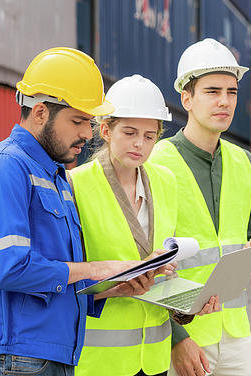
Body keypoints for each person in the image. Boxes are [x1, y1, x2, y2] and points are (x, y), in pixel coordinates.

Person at [0, 48, 173, 376]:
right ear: (41, 112)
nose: (88, 134)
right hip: (17, 358)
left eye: (89, 122)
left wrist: (114, 286)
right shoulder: (6, 165)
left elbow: (56, 280)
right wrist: (96, 268)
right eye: (78, 121)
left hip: (53, 355)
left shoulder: (56, 177)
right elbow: (6, 268)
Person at [70, 75, 221, 376]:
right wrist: (118, 283)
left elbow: (163, 265)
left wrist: (187, 302)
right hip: (98, 362)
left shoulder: (166, 181)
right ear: (106, 130)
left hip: (153, 359)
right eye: (129, 132)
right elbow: (67, 276)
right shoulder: (75, 185)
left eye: (150, 136)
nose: (140, 144)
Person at [150, 39, 251, 376]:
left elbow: (250, 244)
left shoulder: (246, 163)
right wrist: (177, 339)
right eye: (212, 91)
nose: (225, 101)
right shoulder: (156, 163)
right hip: (184, 334)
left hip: (237, 335)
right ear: (187, 98)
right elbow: (143, 258)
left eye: (232, 91)